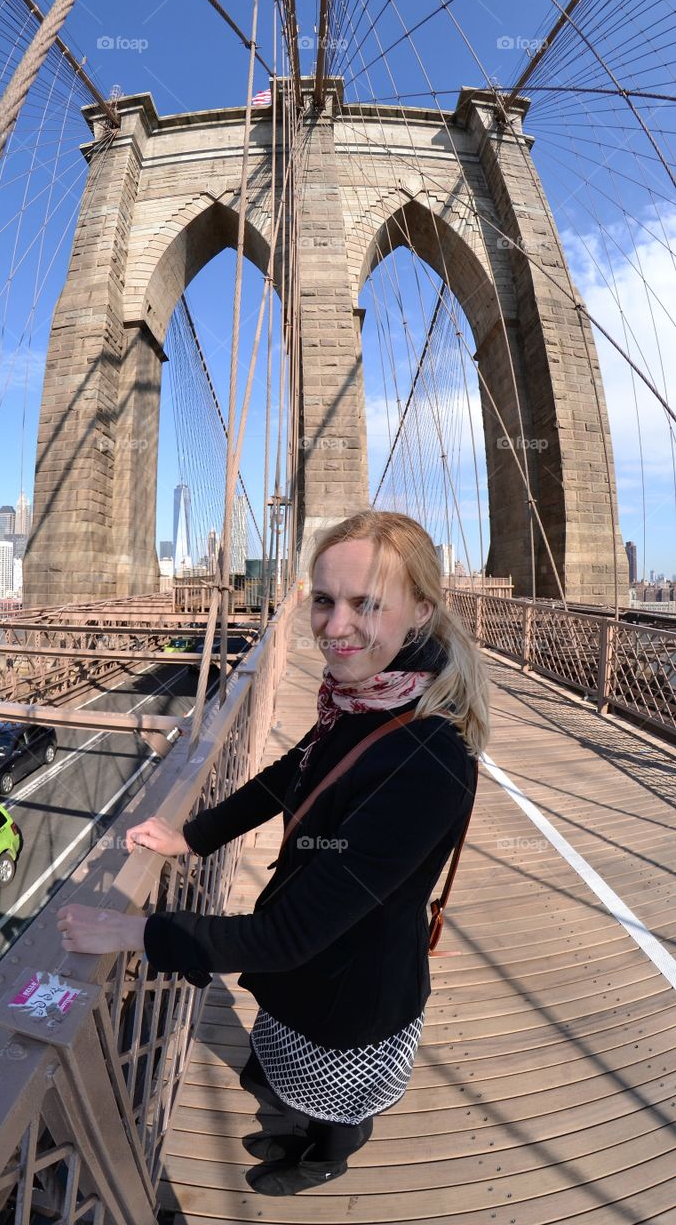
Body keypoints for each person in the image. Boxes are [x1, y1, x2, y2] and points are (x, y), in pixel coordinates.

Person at [57, 509, 489, 1196]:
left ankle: (323, 1159)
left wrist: (135, 930)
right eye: (323, 600)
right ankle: (292, 1131)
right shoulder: (359, 703)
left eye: (365, 604)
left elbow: (285, 937)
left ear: (419, 611)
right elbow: (288, 774)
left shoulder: (427, 759)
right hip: (306, 976)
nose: (334, 625)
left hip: (351, 991)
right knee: (283, 1079)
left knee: (336, 1108)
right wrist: (190, 837)